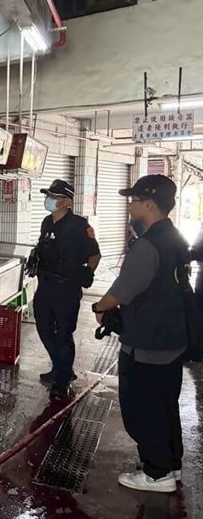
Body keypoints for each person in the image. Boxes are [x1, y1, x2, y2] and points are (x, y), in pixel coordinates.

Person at [92, 175, 190, 493]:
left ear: (149, 204)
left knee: (142, 408)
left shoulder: (148, 245)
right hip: (170, 338)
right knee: (164, 404)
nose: (130, 204)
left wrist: (100, 306)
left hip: (147, 342)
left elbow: (122, 291)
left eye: (134, 200)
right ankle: (169, 465)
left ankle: (156, 473)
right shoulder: (173, 237)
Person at [33, 179, 101, 399]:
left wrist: (87, 273)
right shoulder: (46, 222)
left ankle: (63, 378)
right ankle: (60, 366)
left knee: (63, 333)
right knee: (43, 328)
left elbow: (95, 254)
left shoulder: (80, 226)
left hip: (66, 289)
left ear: (67, 202)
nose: (49, 200)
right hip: (45, 286)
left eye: (54, 197)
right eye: (48, 196)